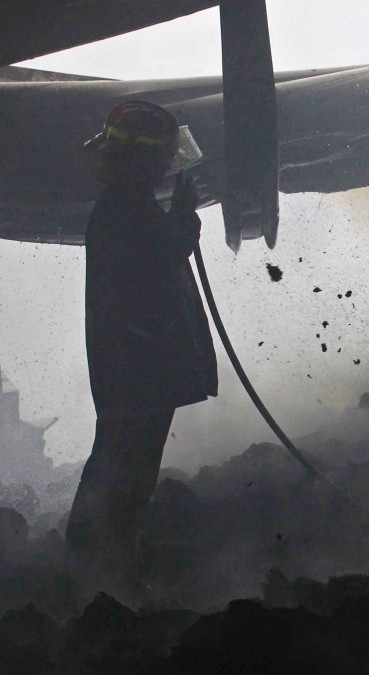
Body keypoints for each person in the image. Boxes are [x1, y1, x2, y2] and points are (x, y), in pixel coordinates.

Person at [65, 101, 216, 593]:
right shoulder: (126, 212)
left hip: (133, 371)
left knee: (119, 469)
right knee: (123, 476)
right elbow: (160, 258)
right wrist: (185, 218)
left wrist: (177, 217)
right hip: (140, 373)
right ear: (147, 163)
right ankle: (102, 578)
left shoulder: (125, 208)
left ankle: (100, 571)